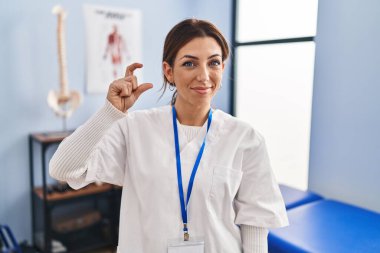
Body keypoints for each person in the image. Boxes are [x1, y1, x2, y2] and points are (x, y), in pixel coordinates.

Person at [50, 18, 288, 253]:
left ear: (222, 68)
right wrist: (110, 113)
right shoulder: (135, 128)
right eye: (189, 64)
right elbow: (62, 169)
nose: (204, 75)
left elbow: (255, 224)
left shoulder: (245, 138)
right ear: (169, 71)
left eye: (214, 63)